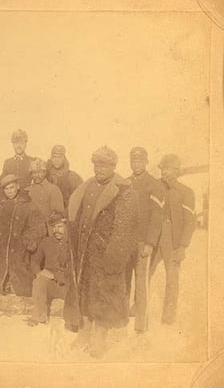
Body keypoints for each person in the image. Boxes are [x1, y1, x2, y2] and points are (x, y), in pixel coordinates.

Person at [64, 146, 138, 358]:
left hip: (106, 254)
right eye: (97, 164)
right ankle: (85, 331)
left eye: (104, 165)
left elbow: (125, 229)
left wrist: (114, 257)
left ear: (113, 167)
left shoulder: (124, 191)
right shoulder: (87, 187)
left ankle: (100, 336)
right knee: (84, 291)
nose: (100, 169)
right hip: (85, 253)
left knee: (104, 295)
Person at [149, 153, 196, 325]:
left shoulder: (186, 192)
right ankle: (140, 308)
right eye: (162, 169)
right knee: (146, 273)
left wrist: (182, 246)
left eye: (167, 169)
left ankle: (168, 317)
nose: (164, 172)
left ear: (176, 171)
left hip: (174, 240)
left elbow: (190, 222)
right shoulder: (155, 188)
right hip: (154, 237)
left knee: (172, 278)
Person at [0, 174, 46, 299]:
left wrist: (27, 241)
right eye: (6, 189)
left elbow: (38, 226)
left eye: (12, 188)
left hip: (20, 248)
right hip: (0, 248)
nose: (9, 191)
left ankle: (17, 290)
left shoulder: (28, 205)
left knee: (20, 274)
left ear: (18, 187)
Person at [126, 146, 164, 334]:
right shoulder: (126, 182)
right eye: (133, 161)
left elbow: (157, 217)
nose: (136, 164)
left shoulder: (154, 184)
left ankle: (141, 324)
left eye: (140, 161)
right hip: (126, 243)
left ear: (146, 162)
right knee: (124, 281)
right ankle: (122, 318)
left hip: (143, 243)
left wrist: (150, 242)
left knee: (141, 283)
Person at [27, 212, 70, 327]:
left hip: (67, 285)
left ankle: (72, 321)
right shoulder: (46, 242)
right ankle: (39, 317)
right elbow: (35, 261)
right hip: (51, 285)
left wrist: (57, 277)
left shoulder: (72, 243)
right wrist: (39, 272)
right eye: (54, 227)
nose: (57, 230)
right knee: (39, 281)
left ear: (66, 227)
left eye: (60, 226)